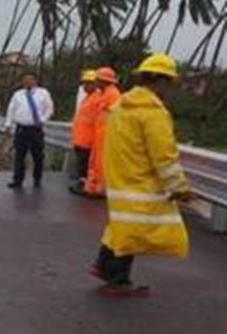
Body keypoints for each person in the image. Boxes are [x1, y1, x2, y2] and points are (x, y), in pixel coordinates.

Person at [90, 53, 192, 298]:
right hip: (141, 181)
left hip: (120, 178)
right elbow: (164, 156)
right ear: (162, 81)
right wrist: (178, 187)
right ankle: (117, 280)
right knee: (135, 230)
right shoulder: (153, 112)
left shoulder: (121, 106)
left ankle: (104, 267)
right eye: (170, 84)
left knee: (123, 225)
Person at [4, 72, 54, 189]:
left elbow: (49, 108)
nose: (28, 82)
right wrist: (8, 124)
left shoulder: (43, 93)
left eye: (30, 79)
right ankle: (18, 180)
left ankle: (37, 178)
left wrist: (43, 119)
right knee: (19, 155)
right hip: (21, 129)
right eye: (25, 80)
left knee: (38, 155)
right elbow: (11, 109)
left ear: (35, 81)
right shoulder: (18, 94)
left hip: (36, 129)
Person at [84, 67, 122, 198]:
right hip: (100, 134)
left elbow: (115, 116)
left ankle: (101, 190)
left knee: (101, 163)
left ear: (103, 81)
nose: (95, 83)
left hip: (107, 135)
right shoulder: (104, 94)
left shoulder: (113, 95)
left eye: (97, 80)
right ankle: (93, 187)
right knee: (95, 162)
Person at [69, 70, 99, 195]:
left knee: (86, 165)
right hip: (81, 139)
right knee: (82, 164)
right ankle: (82, 184)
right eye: (84, 83)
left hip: (89, 140)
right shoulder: (87, 98)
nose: (85, 86)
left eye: (88, 83)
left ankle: (86, 186)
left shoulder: (97, 98)